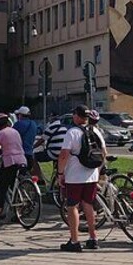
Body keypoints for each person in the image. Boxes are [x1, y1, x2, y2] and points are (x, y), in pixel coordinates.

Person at [58, 105, 102, 252]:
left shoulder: (72, 132)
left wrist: (60, 173)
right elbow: (103, 151)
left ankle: (75, 241)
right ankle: (93, 238)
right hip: (92, 174)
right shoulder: (95, 130)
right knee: (88, 204)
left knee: (73, 206)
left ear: (77, 116)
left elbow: (64, 154)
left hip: (75, 176)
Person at [0, 114, 27, 227]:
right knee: (14, 186)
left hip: (10, 162)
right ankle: (19, 212)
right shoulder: (15, 131)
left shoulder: (1, 133)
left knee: (2, 188)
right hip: (21, 159)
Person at [14, 106, 42, 182]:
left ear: (20, 115)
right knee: (26, 175)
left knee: (14, 175)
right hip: (30, 154)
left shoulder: (18, 124)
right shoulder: (33, 124)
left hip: (20, 155)